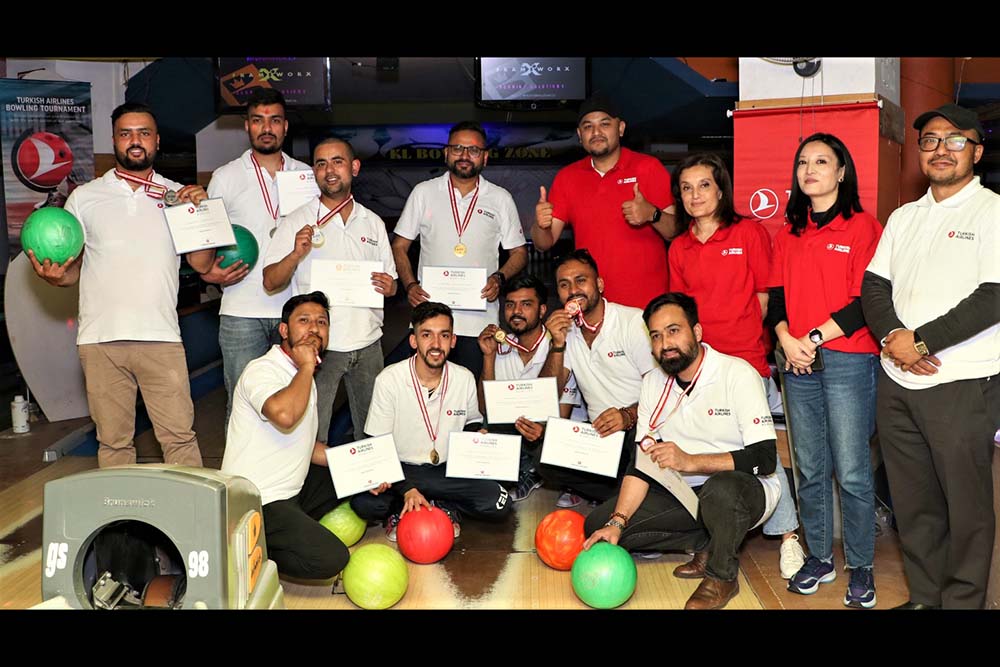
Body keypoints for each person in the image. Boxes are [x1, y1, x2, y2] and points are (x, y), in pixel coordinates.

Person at [862, 104, 999, 610]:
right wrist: (896, 336)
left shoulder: (992, 212)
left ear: (976, 152)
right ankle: (926, 597)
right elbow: (875, 286)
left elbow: (994, 294)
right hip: (898, 382)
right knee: (914, 503)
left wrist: (920, 341)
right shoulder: (904, 216)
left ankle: (963, 604)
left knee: (967, 510)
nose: (941, 149)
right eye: (930, 140)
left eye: (955, 139)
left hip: (962, 381)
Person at [28, 102, 210, 468]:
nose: (135, 141)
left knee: (179, 439)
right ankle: (123, 524)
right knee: (112, 444)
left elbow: (203, 265)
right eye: (126, 133)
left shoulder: (179, 196)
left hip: (161, 337)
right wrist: (54, 276)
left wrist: (202, 214)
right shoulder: (85, 198)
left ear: (157, 141)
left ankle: (190, 521)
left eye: (143, 133)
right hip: (100, 341)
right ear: (114, 140)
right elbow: (72, 272)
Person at [583, 293, 780, 610]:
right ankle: (707, 541)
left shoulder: (737, 373)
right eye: (656, 336)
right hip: (685, 494)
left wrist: (691, 461)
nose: (665, 343)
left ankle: (721, 576)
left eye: (674, 331)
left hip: (745, 488)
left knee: (721, 490)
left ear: (697, 332)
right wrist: (617, 522)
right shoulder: (652, 383)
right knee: (597, 526)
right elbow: (641, 465)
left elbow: (765, 458)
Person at [667, 153, 803, 578]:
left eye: (703, 185)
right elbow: (680, 314)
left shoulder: (749, 232)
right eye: (686, 188)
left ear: (721, 189)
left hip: (743, 360)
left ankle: (789, 538)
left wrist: (740, 354)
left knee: (760, 453)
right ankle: (714, 540)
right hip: (698, 366)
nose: (695, 195)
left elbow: (763, 298)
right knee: (709, 449)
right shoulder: (679, 246)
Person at [766, 133, 882, 608]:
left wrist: (808, 340)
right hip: (796, 359)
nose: (809, 169)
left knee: (852, 471)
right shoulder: (788, 233)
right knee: (810, 469)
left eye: (821, 161)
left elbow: (865, 304)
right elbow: (775, 300)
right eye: (802, 162)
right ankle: (819, 557)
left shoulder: (863, 228)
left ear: (841, 172)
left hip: (848, 359)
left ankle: (861, 566)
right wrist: (785, 340)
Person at [262, 138, 396, 446]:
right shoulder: (297, 220)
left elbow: (391, 282)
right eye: (321, 164)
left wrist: (391, 287)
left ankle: (368, 491)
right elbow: (271, 281)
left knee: (372, 432)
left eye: (337, 161)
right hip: (318, 347)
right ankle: (315, 493)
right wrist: (295, 253)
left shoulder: (372, 222)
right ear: (314, 172)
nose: (329, 170)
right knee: (312, 432)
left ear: (354, 167)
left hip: (368, 343)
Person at [192, 88, 312, 422]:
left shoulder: (306, 176)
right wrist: (207, 273)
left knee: (297, 404)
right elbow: (207, 236)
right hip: (241, 310)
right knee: (243, 403)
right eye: (258, 121)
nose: (266, 128)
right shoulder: (226, 177)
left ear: (285, 126)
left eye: (274, 120)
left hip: (296, 305)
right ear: (247, 127)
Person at [351, 302, 512, 539]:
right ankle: (430, 503)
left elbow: (471, 424)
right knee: (364, 503)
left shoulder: (464, 377)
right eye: (427, 335)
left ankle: (436, 501)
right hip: (402, 470)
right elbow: (378, 445)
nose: (436, 345)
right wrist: (406, 488)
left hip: (448, 470)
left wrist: (478, 438)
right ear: (414, 341)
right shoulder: (390, 379)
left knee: (500, 503)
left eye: (444, 335)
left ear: (453, 340)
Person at [220, 292, 349, 580]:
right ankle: (248, 547)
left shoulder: (304, 375)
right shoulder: (262, 370)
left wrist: (358, 466)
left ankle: (289, 529)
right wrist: (306, 367)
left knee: (355, 477)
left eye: (322, 322)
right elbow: (285, 416)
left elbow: (303, 443)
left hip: (291, 489)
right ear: (284, 330)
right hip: (256, 500)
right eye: (303, 321)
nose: (314, 328)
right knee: (332, 559)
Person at [391, 121, 527, 377]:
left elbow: (519, 252)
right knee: (420, 394)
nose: (464, 155)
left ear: (485, 157)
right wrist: (409, 285)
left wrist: (499, 278)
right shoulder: (424, 192)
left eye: (473, 150)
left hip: (479, 324)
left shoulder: (500, 198)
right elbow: (399, 245)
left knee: (471, 402)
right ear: (446, 153)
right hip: (429, 320)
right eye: (457, 148)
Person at [531, 94, 677, 309]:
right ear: (580, 135)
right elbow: (543, 243)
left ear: (620, 128)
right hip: (594, 308)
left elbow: (676, 231)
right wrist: (540, 225)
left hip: (647, 307)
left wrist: (651, 214)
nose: (596, 132)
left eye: (605, 124)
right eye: (588, 127)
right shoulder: (567, 178)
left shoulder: (648, 168)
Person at [539, 249, 657, 507]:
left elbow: (663, 391)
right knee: (541, 449)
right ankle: (630, 494)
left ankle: (623, 493)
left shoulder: (633, 321)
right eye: (564, 285)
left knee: (643, 442)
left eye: (581, 280)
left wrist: (627, 416)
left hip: (639, 426)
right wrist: (557, 344)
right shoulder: (565, 331)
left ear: (600, 284)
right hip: (600, 437)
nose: (573, 290)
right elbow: (546, 395)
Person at [476, 274, 578, 501]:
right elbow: (486, 410)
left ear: (542, 310)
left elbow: (558, 408)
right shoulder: (500, 346)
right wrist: (488, 357)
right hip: (514, 431)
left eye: (526, 304)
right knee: (481, 433)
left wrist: (542, 431)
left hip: (550, 429)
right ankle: (520, 469)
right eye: (510, 305)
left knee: (551, 441)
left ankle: (530, 470)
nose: (516, 311)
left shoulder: (561, 343)